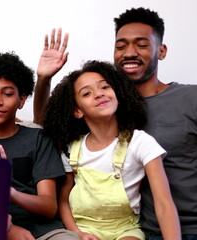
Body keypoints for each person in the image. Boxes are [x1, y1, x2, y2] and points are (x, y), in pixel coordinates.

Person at [42, 60, 180, 240]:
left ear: (118, 94)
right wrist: (78, 233)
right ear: (77, 111)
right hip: (82, 229)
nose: (99, 94)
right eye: (87, 93)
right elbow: (63, 201)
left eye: (105, 87)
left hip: (125, 230)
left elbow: (164, 203)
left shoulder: (140, 142)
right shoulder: (71, 148)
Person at [0, 52, 78, 240]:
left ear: (21, 100)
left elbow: (49, 206)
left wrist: (9, 190)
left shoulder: (39, 138)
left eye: (7, 93)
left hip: (46, 231)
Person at [113, 8, 197, 239]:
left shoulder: (190, 98)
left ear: (161, 51)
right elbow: (51, 133)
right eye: (121, 46)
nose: (129, 53)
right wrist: (45, 80)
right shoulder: (108, 108)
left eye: (141, 45)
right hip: (143, 232)